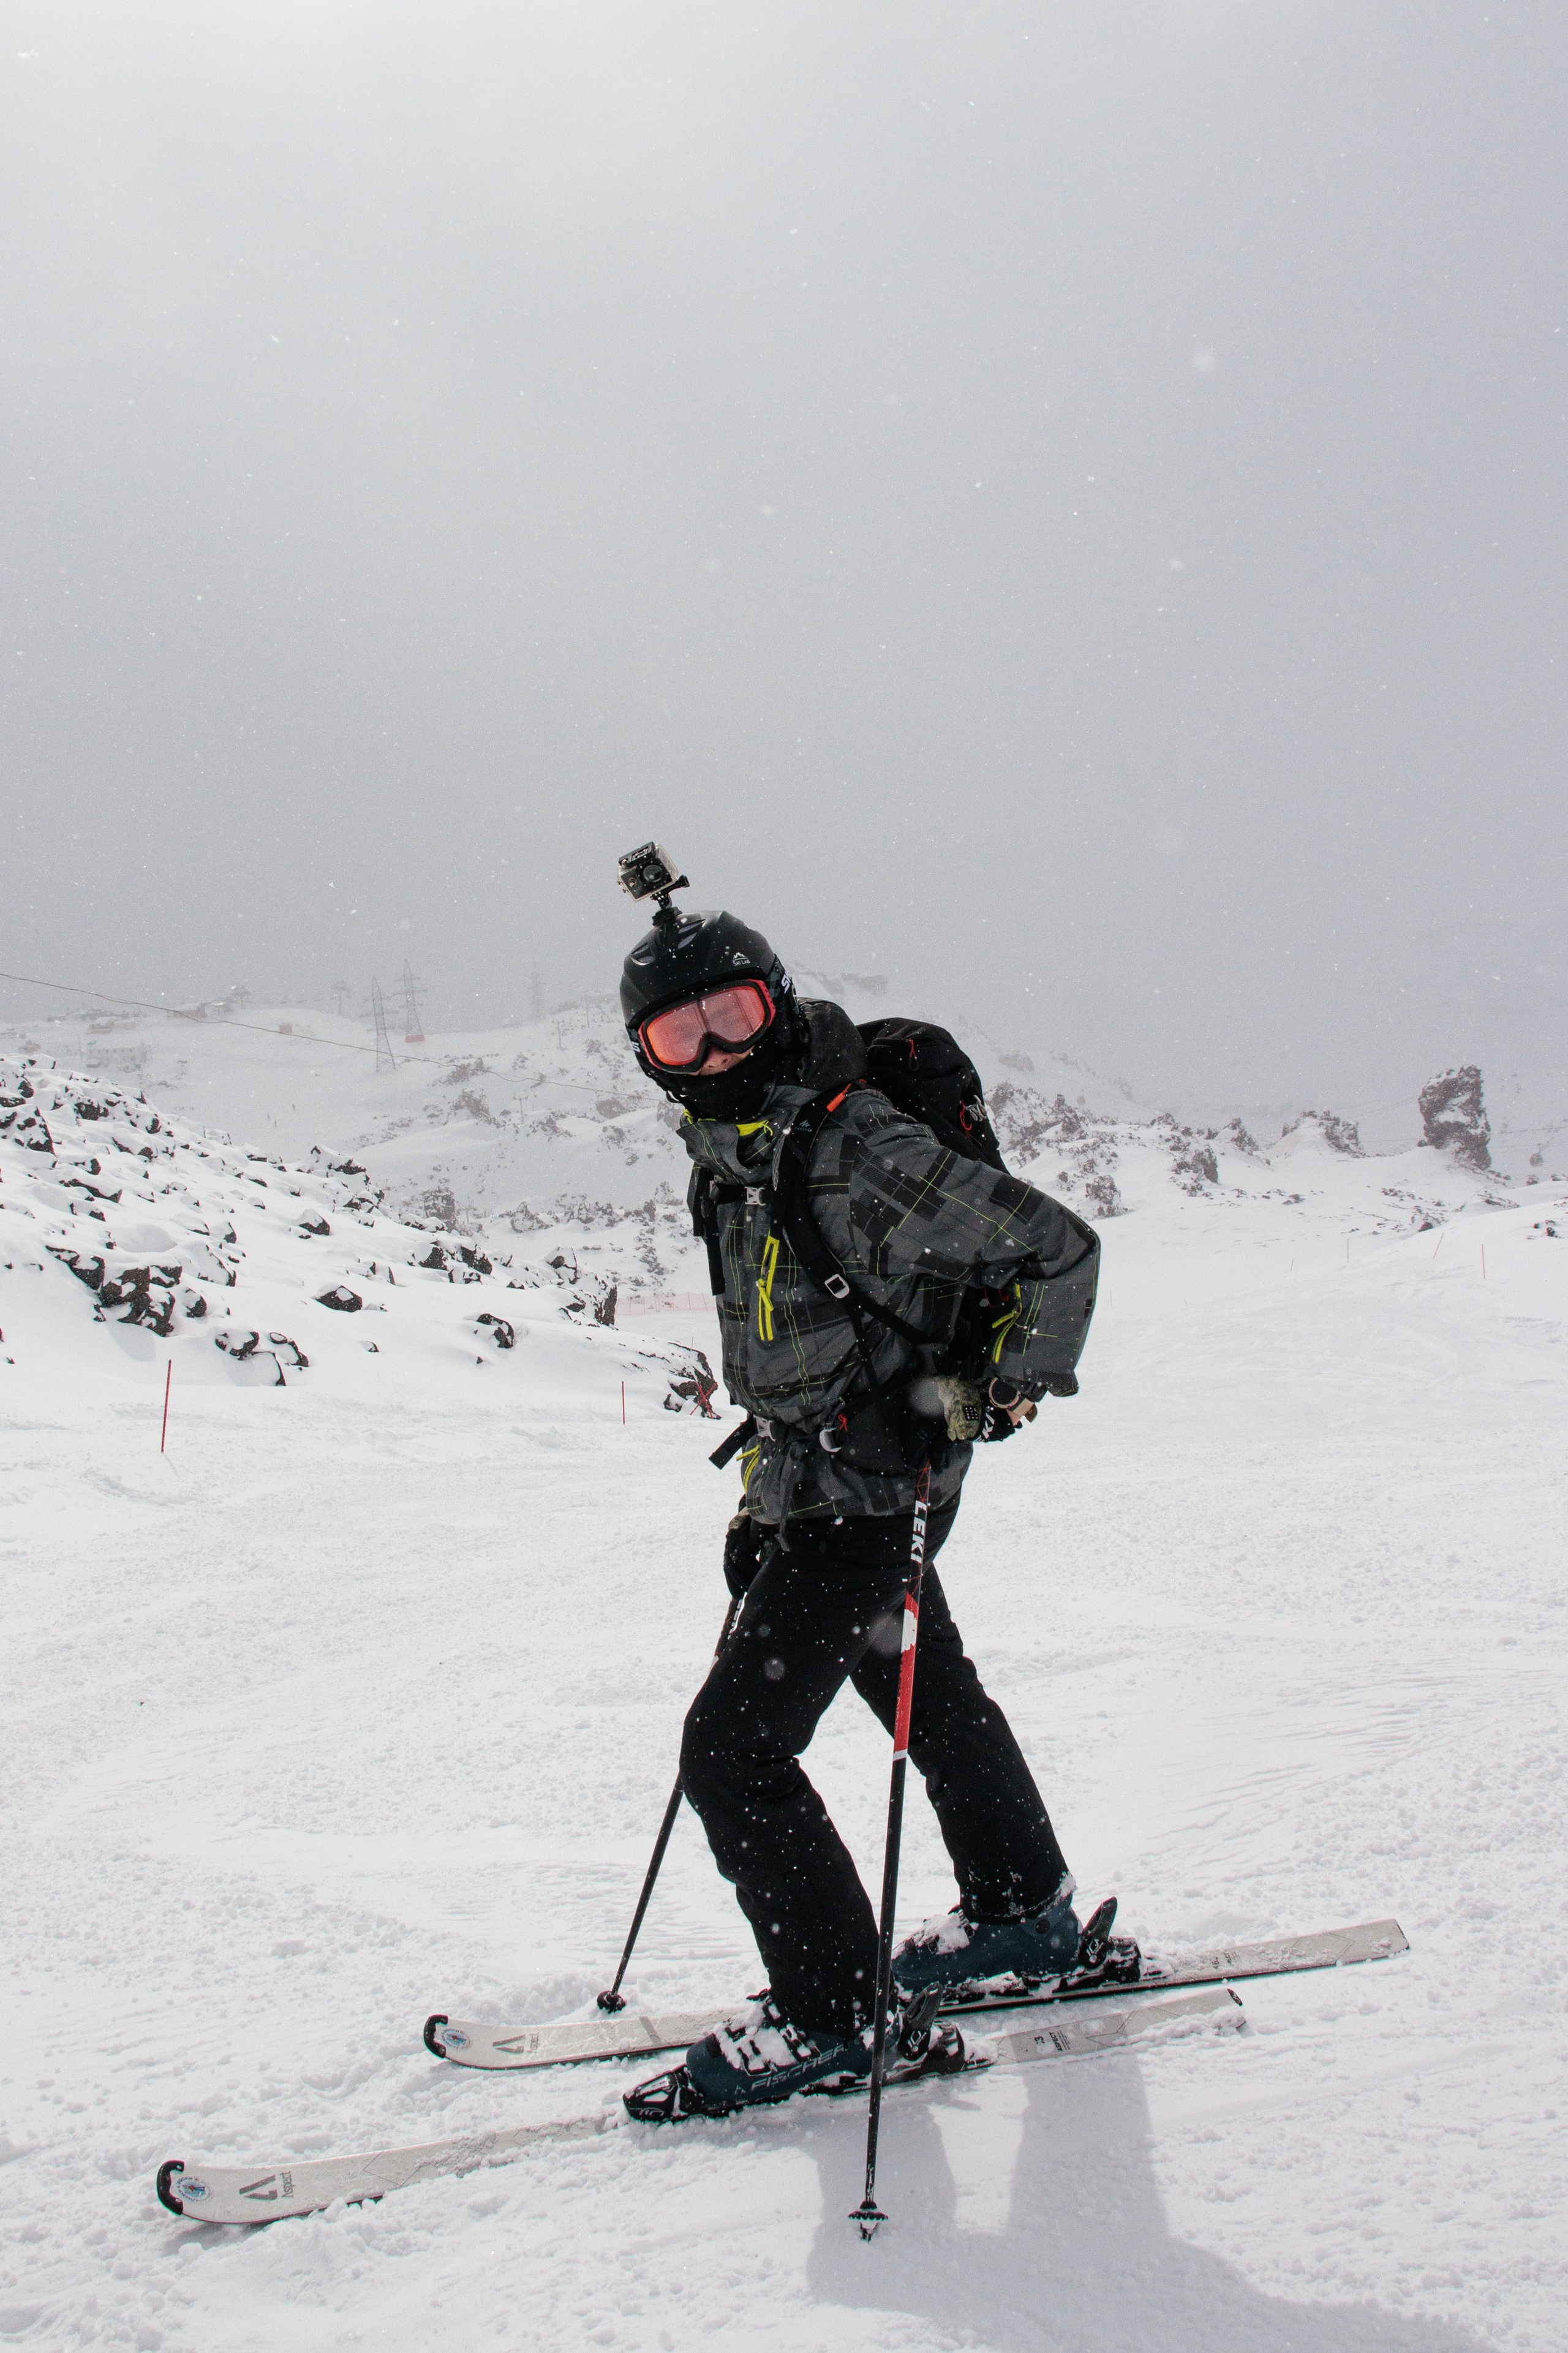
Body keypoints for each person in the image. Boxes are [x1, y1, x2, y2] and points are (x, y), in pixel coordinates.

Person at [616, 890, 1115, 2121]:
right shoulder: (736, 1160)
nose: (716, 1052)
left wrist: (982, 1400)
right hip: (822, 1483)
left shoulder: (852, 1150)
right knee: (913, 1680)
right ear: (647, 1059)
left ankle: (833, 2014)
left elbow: (1056, 1252)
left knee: (730, 1755)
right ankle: (1021, 1912)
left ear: (776, 1002)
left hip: (877, 1486)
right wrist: (765, 1504)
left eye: (731, 1016)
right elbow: (794, 1355)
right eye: (681, 1037)